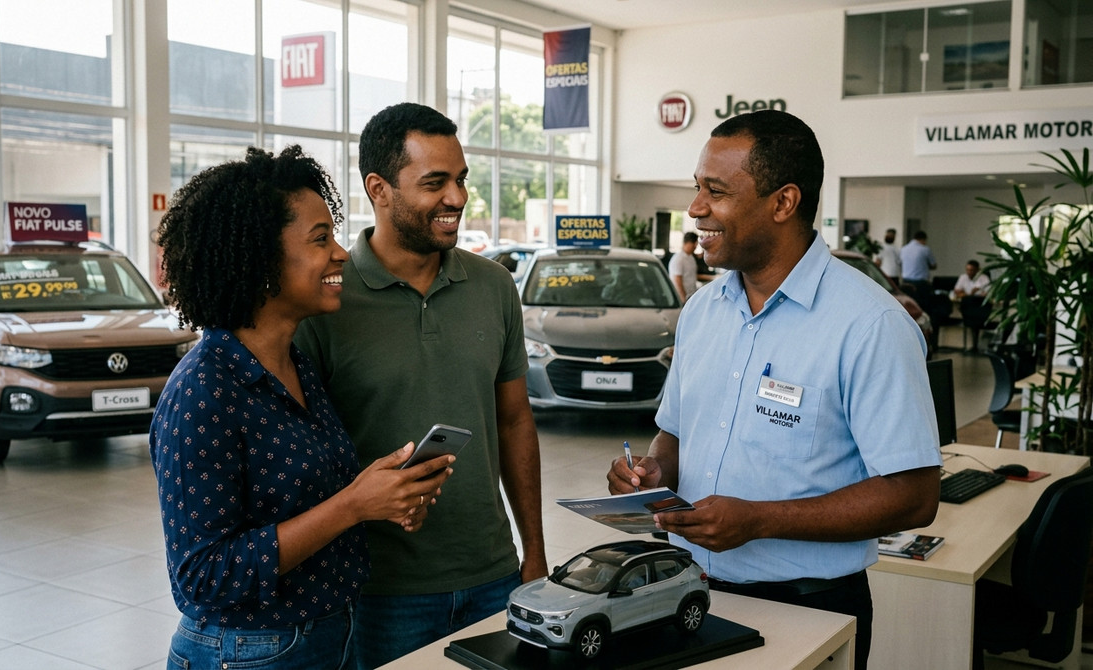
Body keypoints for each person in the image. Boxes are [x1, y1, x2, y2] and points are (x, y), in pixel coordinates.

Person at [605, 110, 941, 670]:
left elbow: (915, 495)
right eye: (697, 188)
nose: (695, 209)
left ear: (783, 203)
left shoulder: (870, 325)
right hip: (686, 596)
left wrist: (760, 520)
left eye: (716, 191)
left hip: (809, 608)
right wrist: (653, 475)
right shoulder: (702, 312)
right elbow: (674, 437)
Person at [150, 146, 454, 670]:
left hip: (327, 636)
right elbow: (201, 575)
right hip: (248, 653)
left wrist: (385, 495)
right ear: (260, 262)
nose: (340, 253)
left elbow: (302, 503)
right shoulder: (204, 391)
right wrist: (353, 504)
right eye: (321, 239)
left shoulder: (294, 364)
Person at [294, 103, 547, 669]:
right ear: (378, 189)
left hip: (493, 574)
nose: (456, 197)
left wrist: (533, 552)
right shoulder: (323, 301)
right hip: (378, 589)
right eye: (435, 183)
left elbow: (513, 421)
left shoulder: (495, 286)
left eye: (461, 180)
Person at [899, 229, 937, 299]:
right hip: (921, 283)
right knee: (922, 304)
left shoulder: (903, 249)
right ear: (923, 239)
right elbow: (934, 265)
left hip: (906, 281)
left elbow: (900, 263)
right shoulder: (925, 249)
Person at [668, 230, 700, 303]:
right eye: (694, 244)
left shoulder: (691, 257)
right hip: (681, 298)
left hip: (691, 295)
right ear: (688, 243)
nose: (695, 246)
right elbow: (677, 280)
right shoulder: (678, 259)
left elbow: (692, 275)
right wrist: (684, 299)